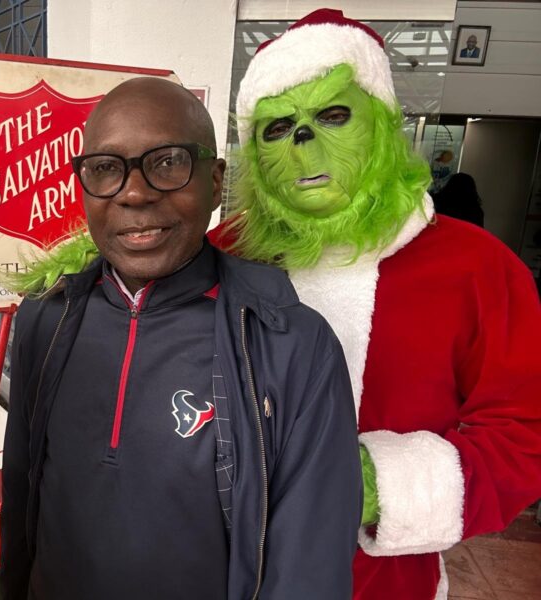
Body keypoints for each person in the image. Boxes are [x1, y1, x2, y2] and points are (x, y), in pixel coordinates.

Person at [215, 8, 541, 600]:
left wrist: (368, 483)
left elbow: (524, 433)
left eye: (332, 115)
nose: (304, 141)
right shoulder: (222, 253)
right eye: (278, 127)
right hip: (223, 569)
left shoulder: (478, 267)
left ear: (384, 122)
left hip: (386, 582)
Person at [0, 77, 362, 599]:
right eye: (105, 168)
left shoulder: (292, 344)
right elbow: (21, 497)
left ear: (215, 182)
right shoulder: (46, 318)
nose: (134, 193)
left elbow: (310, 566)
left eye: (168, 162)